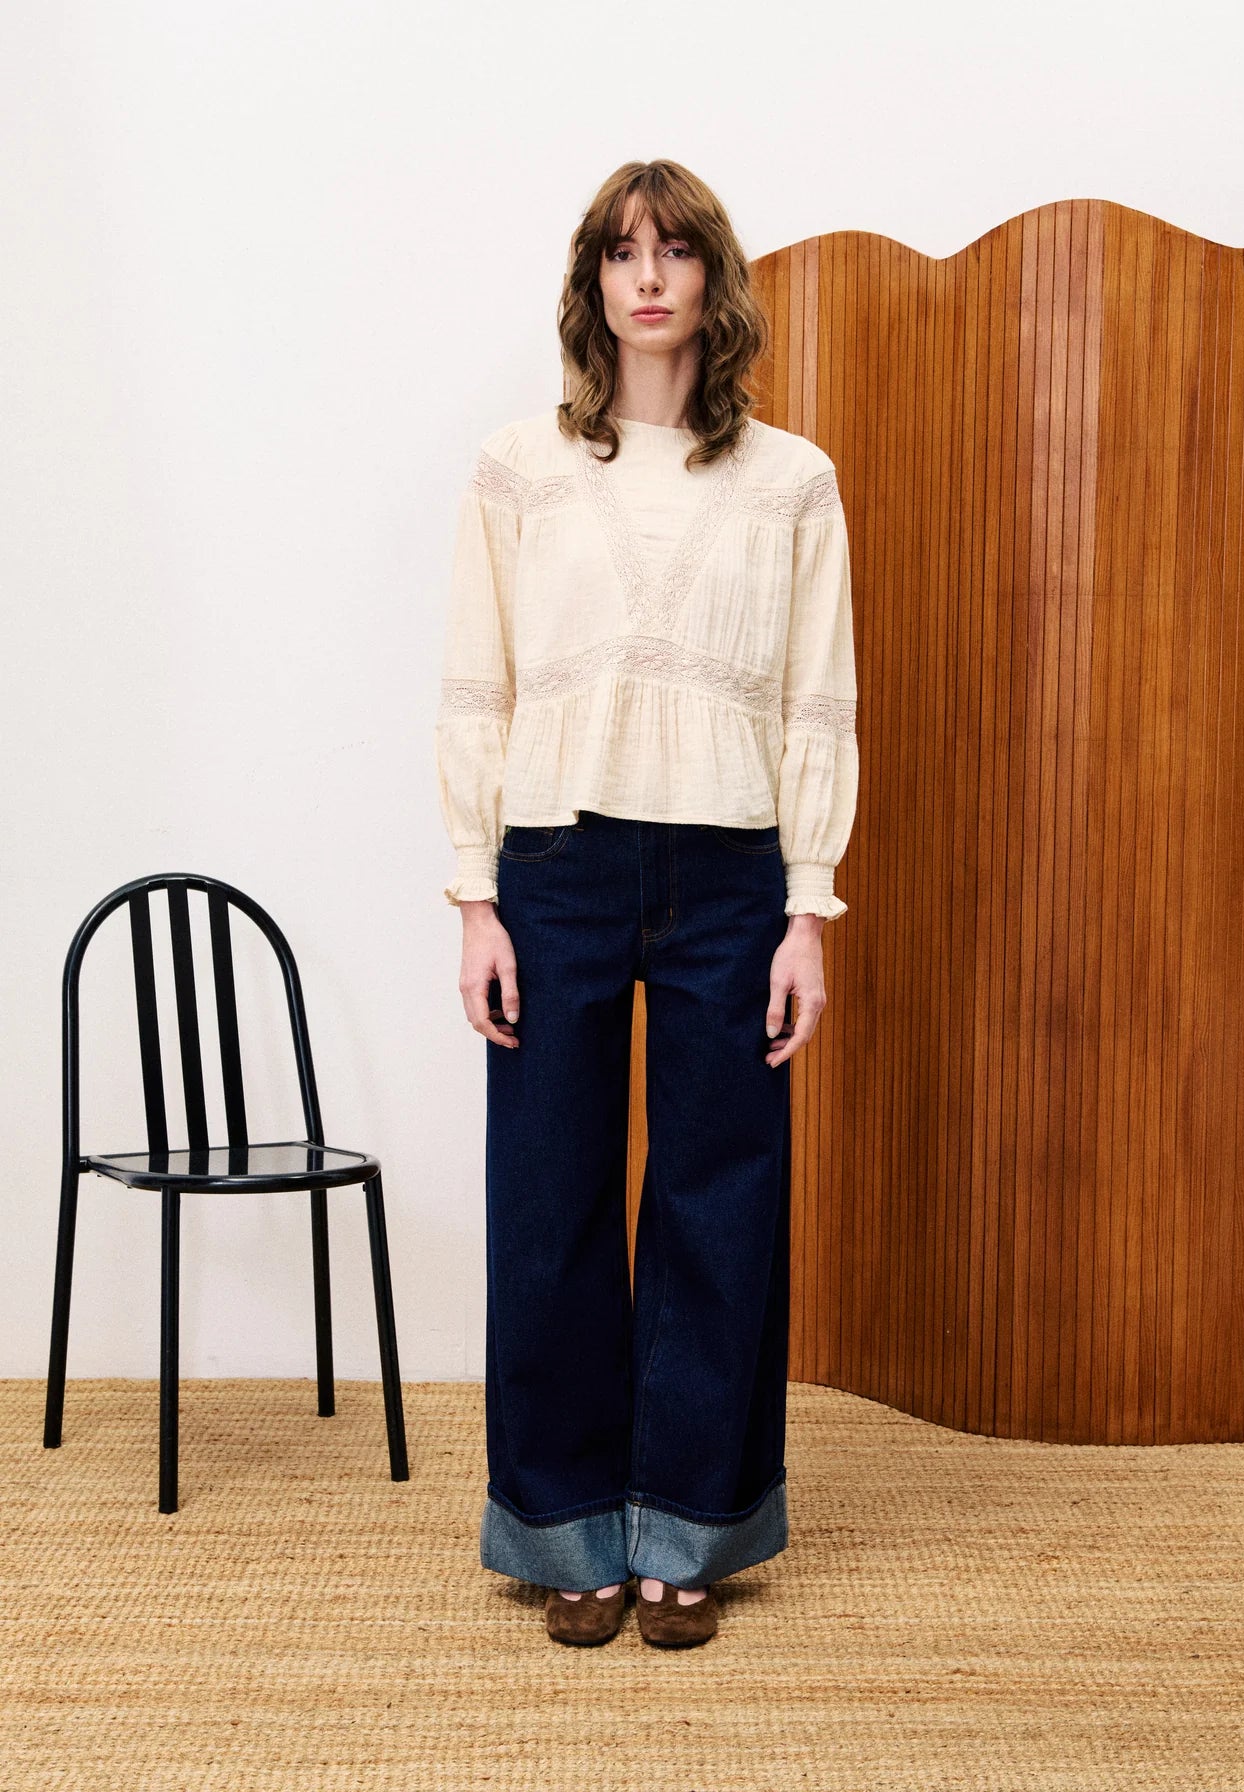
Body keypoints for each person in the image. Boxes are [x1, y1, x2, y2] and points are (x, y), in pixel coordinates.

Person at [434, 159, 859, 1648]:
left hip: (734, 873)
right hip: (555, 866)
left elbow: (820, 700)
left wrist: (810, 907)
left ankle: (690, 1526)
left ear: (713, 280)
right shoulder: (518, 471)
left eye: (677, 250)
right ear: (594, 283)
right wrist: (474, 900)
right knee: (547, 1198)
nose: (651, 276)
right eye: (625, 252)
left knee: (718, 1199)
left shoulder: (793, 481)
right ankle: (566, 1530)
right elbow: (475, 688)